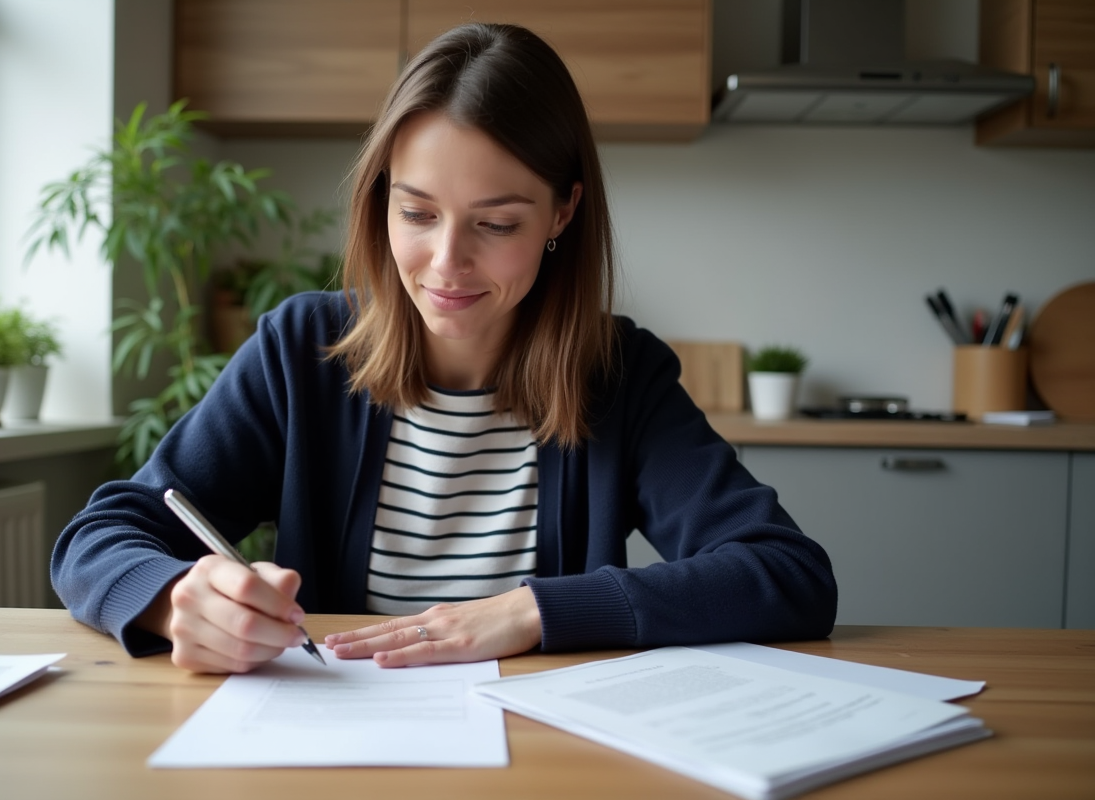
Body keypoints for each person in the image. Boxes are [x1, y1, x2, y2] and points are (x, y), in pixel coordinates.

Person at [52, 22, 836, 674]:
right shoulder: (302, 350)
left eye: (497, 224)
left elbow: (788, 572)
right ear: (380, 196)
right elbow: (99, 536)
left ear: (563, 213)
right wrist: (173, 596)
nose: (446, 263)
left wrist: (536, 611)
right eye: (417, 213)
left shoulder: (620, 374)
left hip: (546, 762)